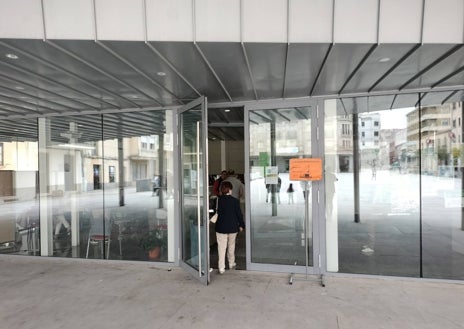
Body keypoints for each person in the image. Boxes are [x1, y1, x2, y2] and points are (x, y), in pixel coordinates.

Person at [215, 181, 245, 274]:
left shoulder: (218, 200)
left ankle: (221, 267)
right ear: (230, 190)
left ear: (222, 190)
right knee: (231, 246)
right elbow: (239, 214)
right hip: (232, 227)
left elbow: (215, 212)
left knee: (221, 248)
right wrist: (241, 225)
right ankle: (231, 263)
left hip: (221, 228)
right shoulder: (235, 201)